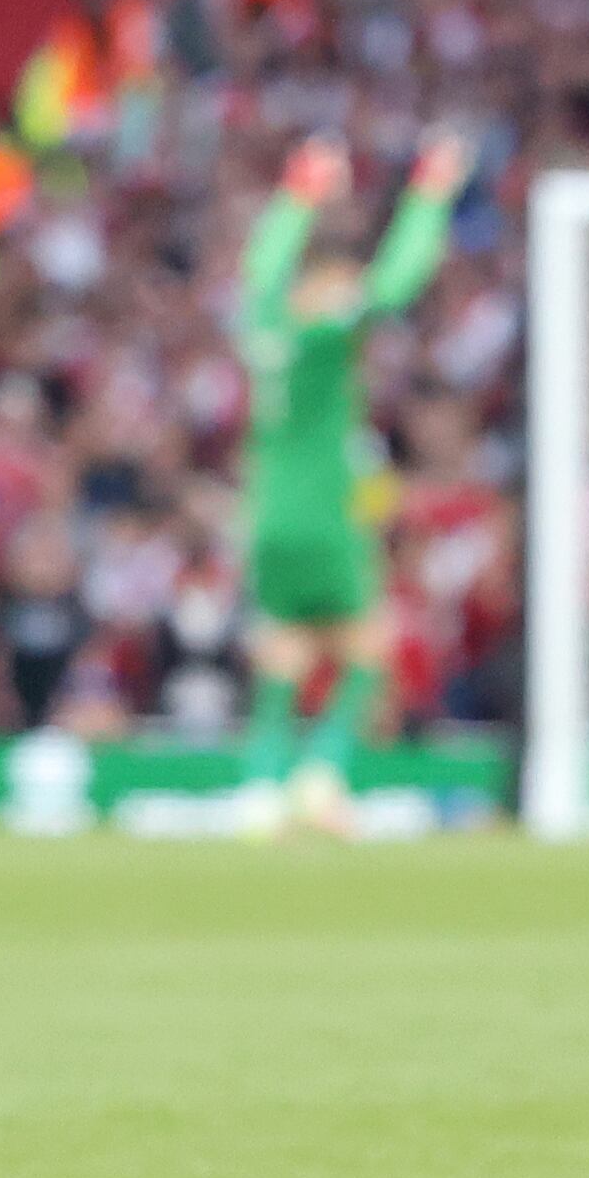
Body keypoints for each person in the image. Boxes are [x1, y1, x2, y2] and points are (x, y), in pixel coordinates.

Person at [231, 127, 464, 832]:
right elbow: (398, 280)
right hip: (326, 515)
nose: (349, 290)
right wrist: (429, 194)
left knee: (288, 645)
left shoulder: (263, 321)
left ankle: (260, 788)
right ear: (322, 289)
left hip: (267, 518)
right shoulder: (328, 338)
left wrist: (299, 192)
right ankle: (322, 775)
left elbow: (260, 265)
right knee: (369, 643)